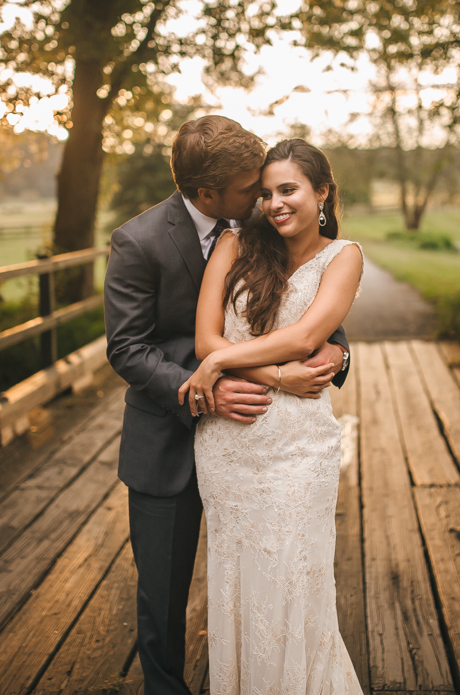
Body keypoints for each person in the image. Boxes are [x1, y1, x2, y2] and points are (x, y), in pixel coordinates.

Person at [104, 117, 352, 695]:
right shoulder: (137, 241)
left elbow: (305, 298)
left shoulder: (256, 224)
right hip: (169, 436)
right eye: (252, 188)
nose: (264, 197)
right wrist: (205, 387)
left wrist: (335, 351)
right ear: (207, 193)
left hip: (265, 439)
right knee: (162, 593)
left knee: (267, 575)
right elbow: (127, 348)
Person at [178, 139, 365, 694]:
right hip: (229, 444)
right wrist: (274, 375)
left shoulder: (344, 255)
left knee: (294, 579)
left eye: (289, 190)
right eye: (266, 194)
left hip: (299, 445)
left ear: (322, 191)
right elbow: (204, 337)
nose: (276, 204)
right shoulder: (235, 243)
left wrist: (217, 365)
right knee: (239, 583)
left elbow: (308, 336)